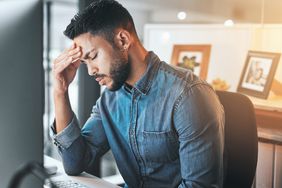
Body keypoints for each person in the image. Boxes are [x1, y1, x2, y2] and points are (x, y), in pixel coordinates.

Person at [51, 0, 225, 187]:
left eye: (92, 57)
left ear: (123, 40)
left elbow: (199, 186)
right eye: (85, 63)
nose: (91, 71)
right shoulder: (109, 100)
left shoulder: (189, 96)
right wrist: (60, 91)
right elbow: (75, 162)